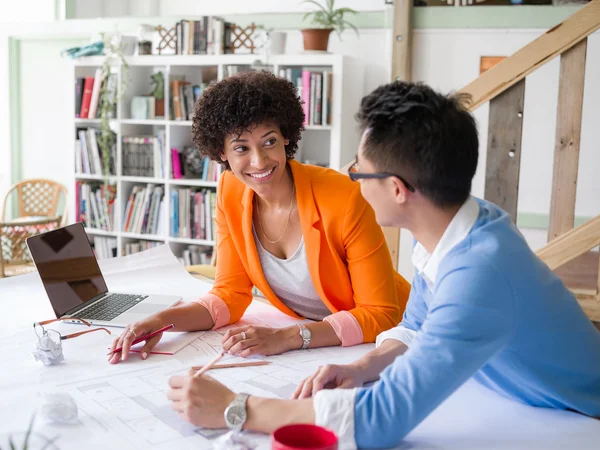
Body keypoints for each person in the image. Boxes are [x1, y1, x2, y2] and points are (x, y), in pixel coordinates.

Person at [165, 81, 600, 447]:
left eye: (360, 171)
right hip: (508, 399)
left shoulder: (479, 274)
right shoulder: (461, 226)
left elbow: (379, 422)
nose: (351, 180)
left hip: (577, 421)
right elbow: (414, 328)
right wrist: (362, 366)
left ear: (395, 190)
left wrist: (236, 407)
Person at [108, 71, 410, 364]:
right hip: (325, 345)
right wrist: (161, 321)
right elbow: (229, 295)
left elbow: (379, 313)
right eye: (241, 148)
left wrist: (287, 337)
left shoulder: (344, 198)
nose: (259, 161)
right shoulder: (230, 190)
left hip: (394, 338)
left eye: (269, 142)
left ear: (286, 137)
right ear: (222, 152)